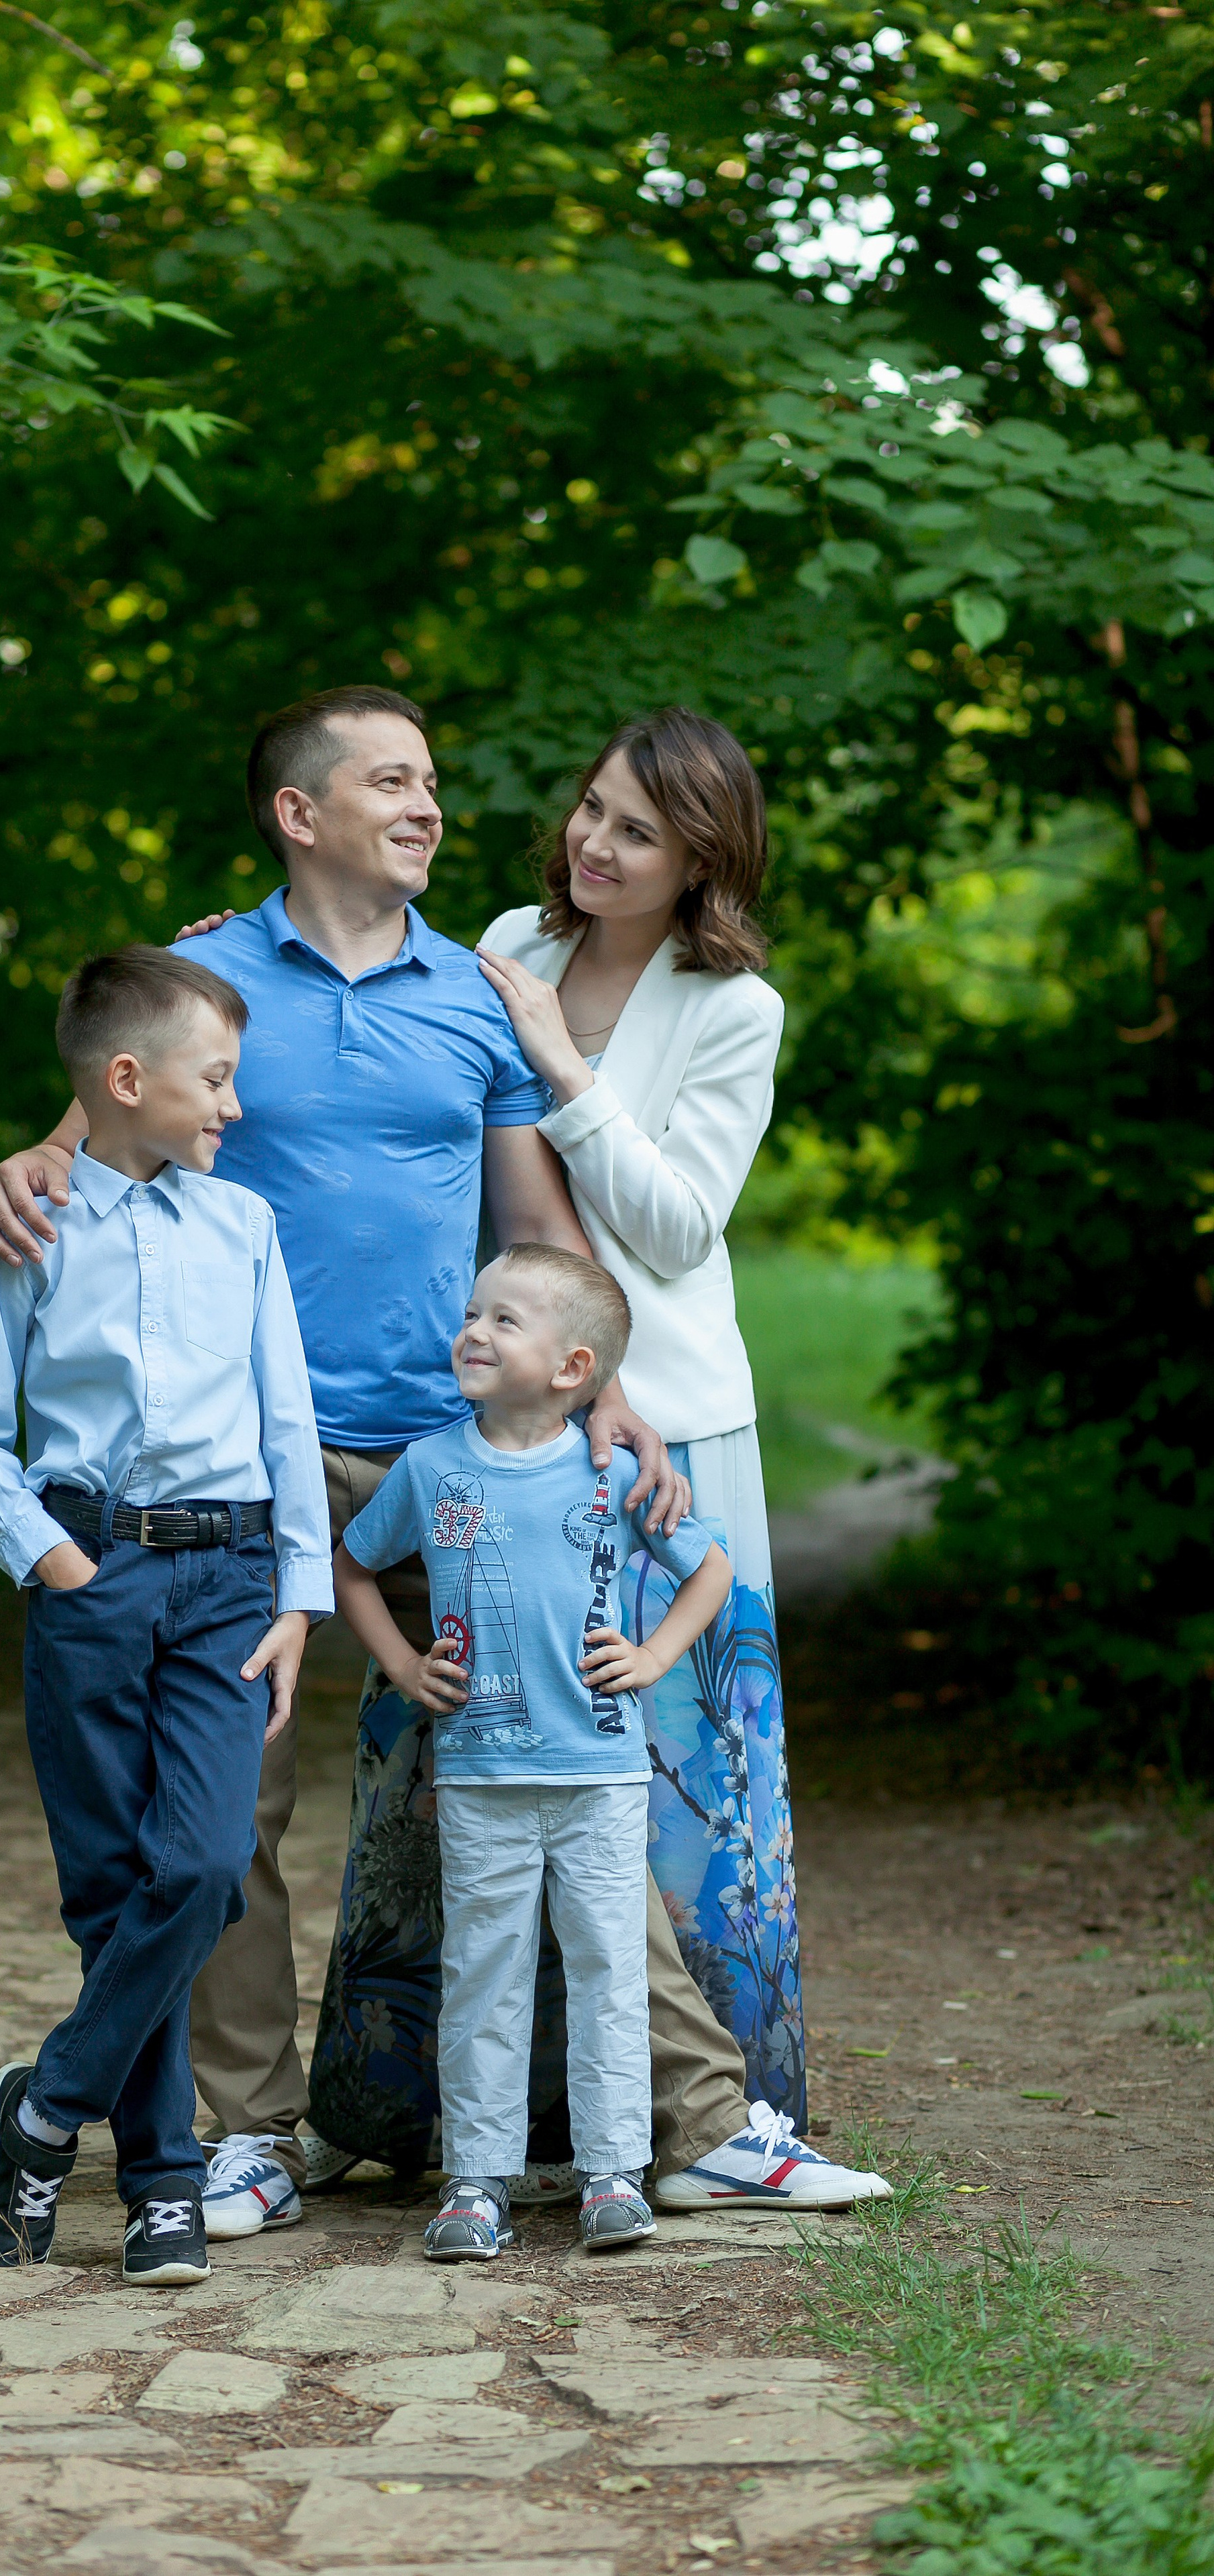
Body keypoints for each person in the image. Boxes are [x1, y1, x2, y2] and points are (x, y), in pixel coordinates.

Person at [0, 684, 870, 2235]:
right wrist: (25, 1166)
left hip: (444, 1452)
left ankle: (700, 2122)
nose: (429, 804)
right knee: (228, 1812)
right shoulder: (207, 981)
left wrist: (599, 1384)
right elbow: (95, 1133)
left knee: (559, 1752)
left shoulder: (473, 989)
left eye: (430, 779)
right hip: (231, 1463)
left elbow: (528, 1216)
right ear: (296, 814)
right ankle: (248, 2130)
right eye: (390, 780)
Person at [474, 707, 885, 2204]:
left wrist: (561, 1068)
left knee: (674, 1773)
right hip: (512, 1411)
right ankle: (484, 2117)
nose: (594, 844)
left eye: (637, 833)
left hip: (672, 1419)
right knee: (495, 1754)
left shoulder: (734, 1008)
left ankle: (712, 2124)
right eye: (592, 808)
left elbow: (676, 1227)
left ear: (702, 859)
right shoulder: (509, 939)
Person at [0, 946, 332, 2285]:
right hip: (94, 1579)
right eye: (213, 1080)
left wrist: (299, 1594)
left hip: (229, 1588)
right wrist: (55, 1563)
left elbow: (287, 1415)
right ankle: (163, 2184)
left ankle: (48, 2108)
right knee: (113, 1890)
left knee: (205, 1864)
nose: (233, 1104)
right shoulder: (26, 1233)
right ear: (125, 1079)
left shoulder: (243, 1225)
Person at [336, 1244, 732, 2259]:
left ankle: (614, 2175)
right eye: (473, 1312)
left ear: (572, 1368)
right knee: (484, 1974)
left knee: (608, 1973)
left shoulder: (613, 1474)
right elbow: (353, 1567)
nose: (473, 1330)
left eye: (504, 1320)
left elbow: (710, 1570)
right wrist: (405, 1665)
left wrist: (653, 1656)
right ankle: (477, 2183)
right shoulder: (432, 1467)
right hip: (480, 1777)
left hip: (601, 1775)